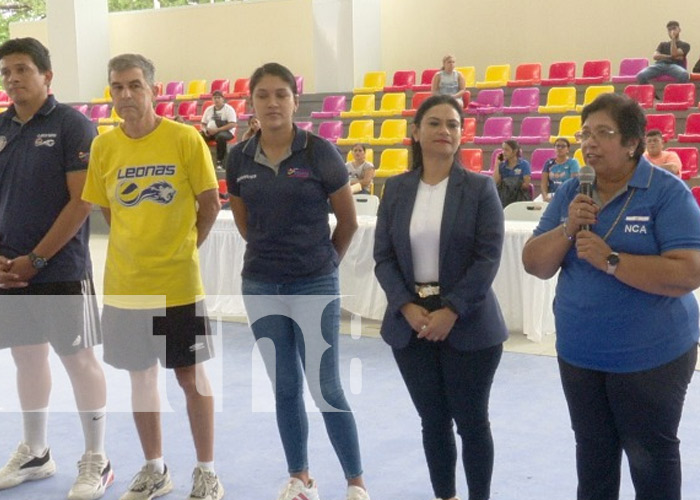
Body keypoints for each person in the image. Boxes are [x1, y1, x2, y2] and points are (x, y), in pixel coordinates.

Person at [522, 93, 700, 500]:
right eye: (585, 134)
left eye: (604, 133)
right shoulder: (572, 192)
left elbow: (689, 272)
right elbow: (535, 263)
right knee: (595, 459)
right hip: (581, 356)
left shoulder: (667, 192)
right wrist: (568, 228)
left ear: (632, 143)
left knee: (650, 461)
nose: (590, 143)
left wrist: (613, 260)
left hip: (651, 358)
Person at [226, 62, 370, 500]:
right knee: (285, 387)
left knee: (326, 387)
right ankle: (300, 478)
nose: (272, 103)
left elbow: (347, 222)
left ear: (294, 101)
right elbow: (245, 223)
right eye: (263, 95)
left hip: (314, 285)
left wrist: (322, 264)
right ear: (251, 103)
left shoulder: (320, 151)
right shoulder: (238, 158)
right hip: (261, 287)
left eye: (281, 94)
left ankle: (355, 482)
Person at [82, 53, 223, 500]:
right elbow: (108, 209)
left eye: (134, 85)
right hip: (125, 286)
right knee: (140, 377)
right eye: (117, 87)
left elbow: (210, 204)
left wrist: (180, 250)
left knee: (191, 378)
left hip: (178, 284)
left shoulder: (185, 139)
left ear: (153, 90)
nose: (125, 95)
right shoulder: (104, 148)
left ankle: (207, 471)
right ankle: (156, 468)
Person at [374, 94, 507, 500]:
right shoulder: (395, 189)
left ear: (461, 135)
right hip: (411, 324)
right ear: (415, 132)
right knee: (432, 422)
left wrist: (452, 309)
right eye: (434, 123)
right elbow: (383, 257)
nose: (444, 131)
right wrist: (407, 306)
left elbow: (488, 257)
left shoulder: (481, 188)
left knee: (472, 423)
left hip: (469, 324)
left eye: (452, 124)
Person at [0, 37, 113, 500]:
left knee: (79, 360)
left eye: (22, 69)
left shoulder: (73, 126)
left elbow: (82, 201)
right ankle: (37, 451)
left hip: (60, 267)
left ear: (47, 76)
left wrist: (37, 259)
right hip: (9, 269)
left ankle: (97, 458)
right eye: (6, 72)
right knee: (26, 356)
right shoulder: (3, 127)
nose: (13, 79)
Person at [200, 89, 237, 169]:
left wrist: (217, 130)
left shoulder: (229, 109)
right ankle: (202, 158)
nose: (216, 100)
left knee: (220, 137)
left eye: (218, 98)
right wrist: (205, 130)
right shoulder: (209, 110)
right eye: (214, 98)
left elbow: (233, 124)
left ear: (222, 99)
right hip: (211, 132)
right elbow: (203, 123)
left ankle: (219, 161)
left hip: (226, 132)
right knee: (199, 136)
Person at [492, 139, 532, 207]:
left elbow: (526, 184)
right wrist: (497, 164)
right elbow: (496, 182)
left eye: (506, 150)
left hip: (519, 197)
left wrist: (512, 185)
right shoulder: (502, 165)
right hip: (504, 197)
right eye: (503, 149)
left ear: (514, 151)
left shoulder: (524, 164)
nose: (503, 152)